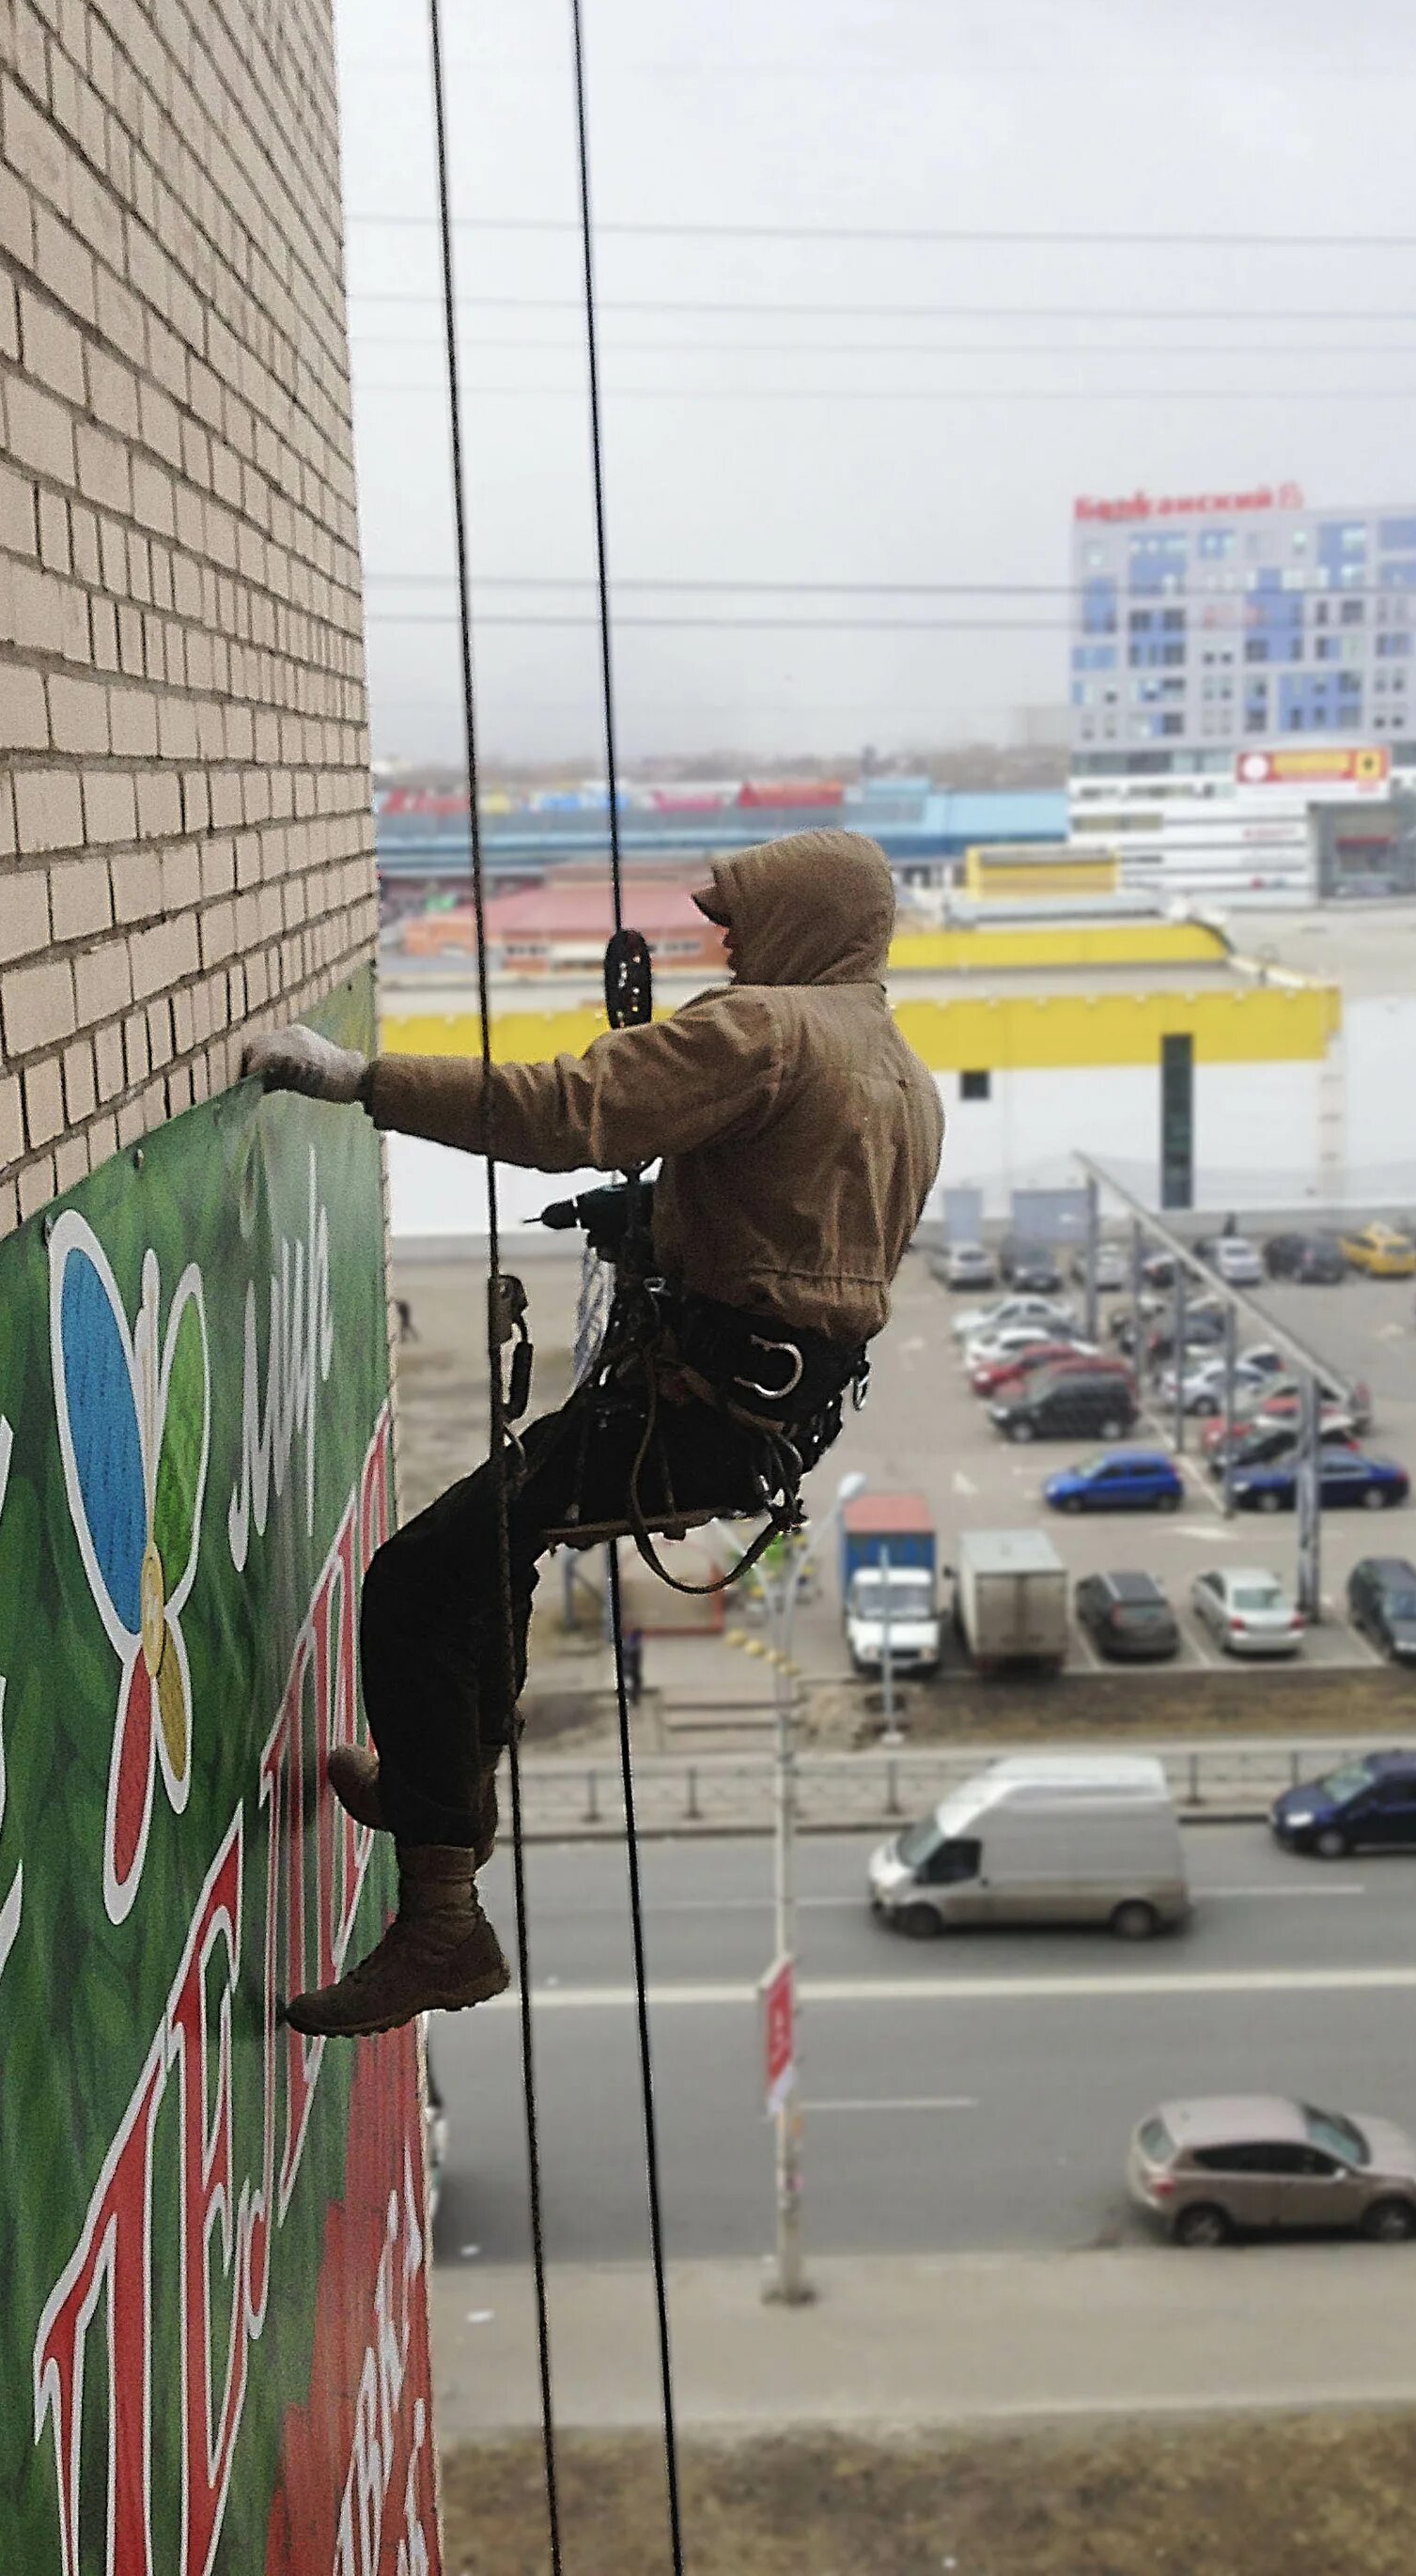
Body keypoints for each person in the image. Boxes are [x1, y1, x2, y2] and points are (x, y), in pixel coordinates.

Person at [242, 830, 944, 2036]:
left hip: (696, 1400)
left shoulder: (765, 1031)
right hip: (758, 1411)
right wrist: (659, 1212)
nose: (725, 943)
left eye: (740, 922)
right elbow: (798, 1216)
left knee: (418, 1582)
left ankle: (443, 1924)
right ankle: (440, 1791)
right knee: (490, 1556)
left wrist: (362, 1080)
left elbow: (571, 1106)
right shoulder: (895, 1066)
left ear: (800, 925)